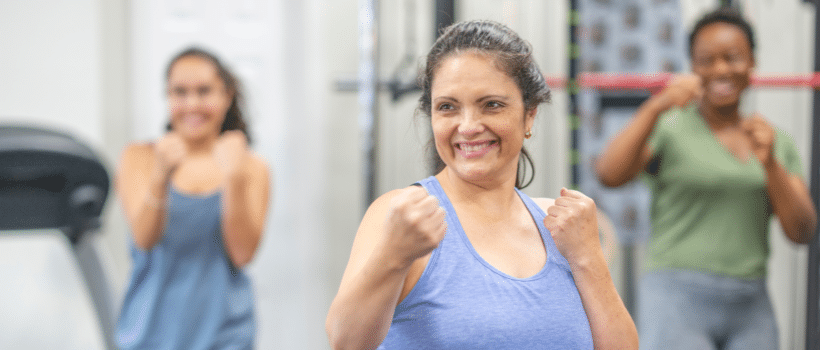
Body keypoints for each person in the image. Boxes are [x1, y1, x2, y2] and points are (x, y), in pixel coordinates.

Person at [326, 20, 637, 349]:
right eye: (447, 107)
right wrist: (394, 256)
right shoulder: (403, 216)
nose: (468, 126)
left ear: (529, 114)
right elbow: (345, 342)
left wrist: (588, 257)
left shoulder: (558, 227)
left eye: (492, 105)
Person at [595, 9, 817, 350]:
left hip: (750, 300)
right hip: (675, 296)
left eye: (733, 58)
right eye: (706, 60)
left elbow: (802, 231)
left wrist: (770, 163)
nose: (720, 69)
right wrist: (657, 106)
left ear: (752, 63)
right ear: (693, 67)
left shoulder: (774, 142)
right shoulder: (670, 128)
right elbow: (609, 174)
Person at [114, 47, 271, 349]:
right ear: (168, 97)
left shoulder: (252, 167)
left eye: (204, 91)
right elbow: (144, 239)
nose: (192, 104)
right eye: (180, 92)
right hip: (150, 335)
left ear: (226, 96)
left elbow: (242, 254)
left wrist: (233, 178)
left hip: (226, 336)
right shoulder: (139, 157)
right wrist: (160, 177)